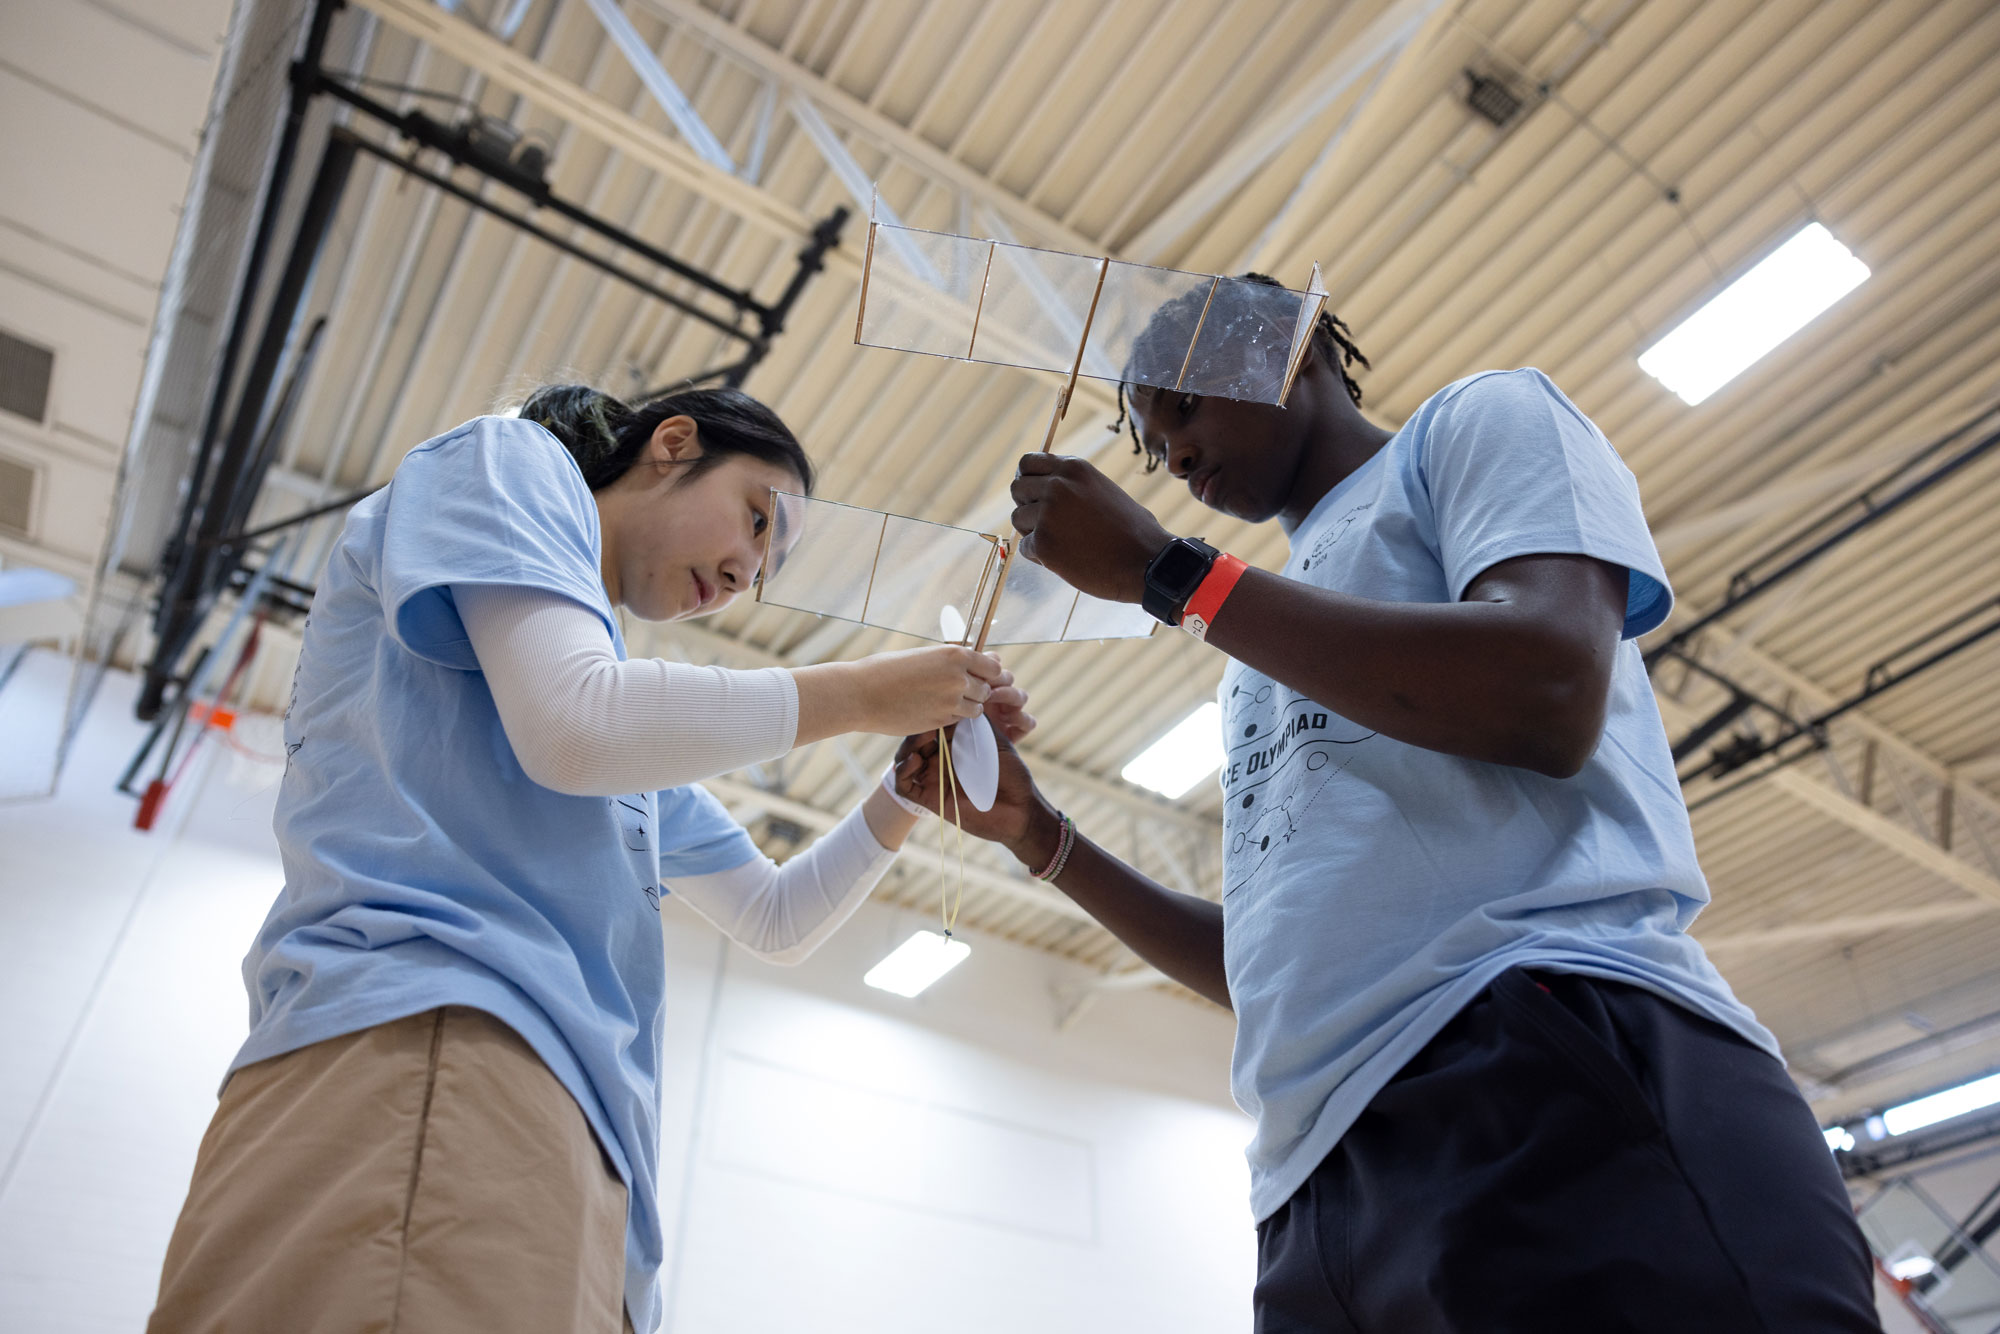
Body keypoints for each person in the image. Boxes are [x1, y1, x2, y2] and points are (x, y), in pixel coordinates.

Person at [894, 285, 1882, 1332]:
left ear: (1292, 348)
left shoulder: (1476, 421)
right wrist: (1037, 834)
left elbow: (1545, 689)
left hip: (1539, 1052)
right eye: (1151, 442)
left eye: (1184, 407)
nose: (1173, 456)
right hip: (1314, 1184)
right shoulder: (1251, 661)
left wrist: (1163, 570)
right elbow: (1274, 963)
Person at [148, 383, 1030, 1334]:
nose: (747, 571)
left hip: (567, 1120)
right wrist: (859, 694)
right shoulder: (507, 462)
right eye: (755, 518)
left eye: (769, 565)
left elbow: (775, 918)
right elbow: (576, 726)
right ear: (673, 442)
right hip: (440, 1037)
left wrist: (903, 793)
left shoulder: (623, 742)